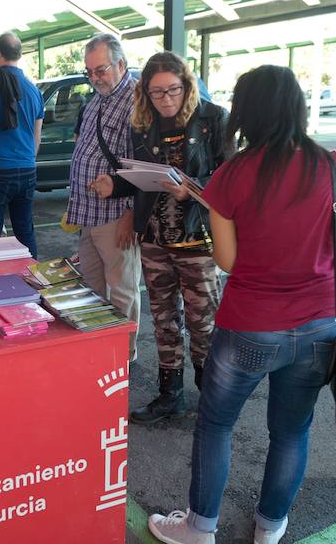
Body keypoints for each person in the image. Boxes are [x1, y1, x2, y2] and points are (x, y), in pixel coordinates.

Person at [146, 65, 336, 544]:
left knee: (217, 425)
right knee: (291, 430)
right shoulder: (334, 166)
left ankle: (200, 528)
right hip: (319, 323)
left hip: (249, 324)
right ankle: (270, 526)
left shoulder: (234, 174)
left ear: (244, 111)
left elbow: (226, 260)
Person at [91, 51, 228, 423]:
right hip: (154, 238)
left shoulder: (213, 119)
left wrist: (195, 189)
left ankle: (212, 393)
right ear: (145, 93)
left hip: (197, 237)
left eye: (173, 90)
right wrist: (114, 183)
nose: (166, 99)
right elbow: (143, 178)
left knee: (203, 321)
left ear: (187, 85)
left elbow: (231, 178)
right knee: (164, 319)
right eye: (156, 93)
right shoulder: (143, 123)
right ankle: (170, 394)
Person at [65, 33, 142, 358]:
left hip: (115, 216)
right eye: (90, 72)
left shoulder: (137, 101)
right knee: (92, 287)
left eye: (101, 70)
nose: (95, 78)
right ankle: (100, 355)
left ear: (120, 64)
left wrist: (130, 215)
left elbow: (141, 164)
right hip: (87, 215)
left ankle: (124, 358)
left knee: (122, 290)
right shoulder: (97, 99)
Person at [0, 32, 44, 258]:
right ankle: (32, 278)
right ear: (20, 55)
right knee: (25, 230)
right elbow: (36, 137)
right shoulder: (34, 90)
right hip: (27, 167)